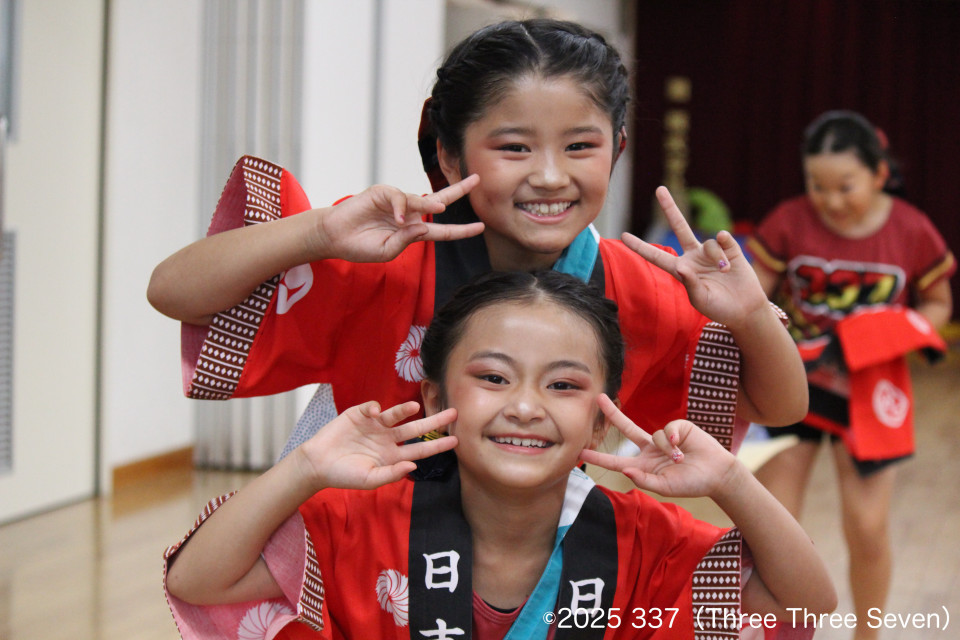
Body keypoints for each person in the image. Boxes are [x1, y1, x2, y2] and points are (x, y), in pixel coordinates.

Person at [146, 19, 806, 461]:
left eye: (580, 146)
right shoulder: (386, 262)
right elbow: (173, 292)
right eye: (514, 147)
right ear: (450, 156)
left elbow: (778, 404)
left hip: (530, 562)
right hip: (356, 546)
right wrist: (317, 232)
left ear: (619, 150)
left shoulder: (641, 288)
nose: (550, 175)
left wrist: (750, 314)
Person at [163, 270, 836, 639]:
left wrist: (730, 481)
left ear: (601, 420)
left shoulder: (646, 542)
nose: (525, 406)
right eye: (493, 377)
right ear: (432, 396)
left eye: (564, 385)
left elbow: (805, 603)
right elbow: (200, 581)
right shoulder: (359, 522)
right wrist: (306, 467)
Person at [747, 110, 955, 639]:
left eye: (845, 186)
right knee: (771, 526)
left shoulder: (912, 229)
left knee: (866, 527)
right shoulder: (789, 219)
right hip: (793, 383)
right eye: (817, 185)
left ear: (879, 174)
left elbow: (938, 303)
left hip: (871, 391)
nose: (831, 200)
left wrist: (890, 332)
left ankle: (868, 635)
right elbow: (750, 294)